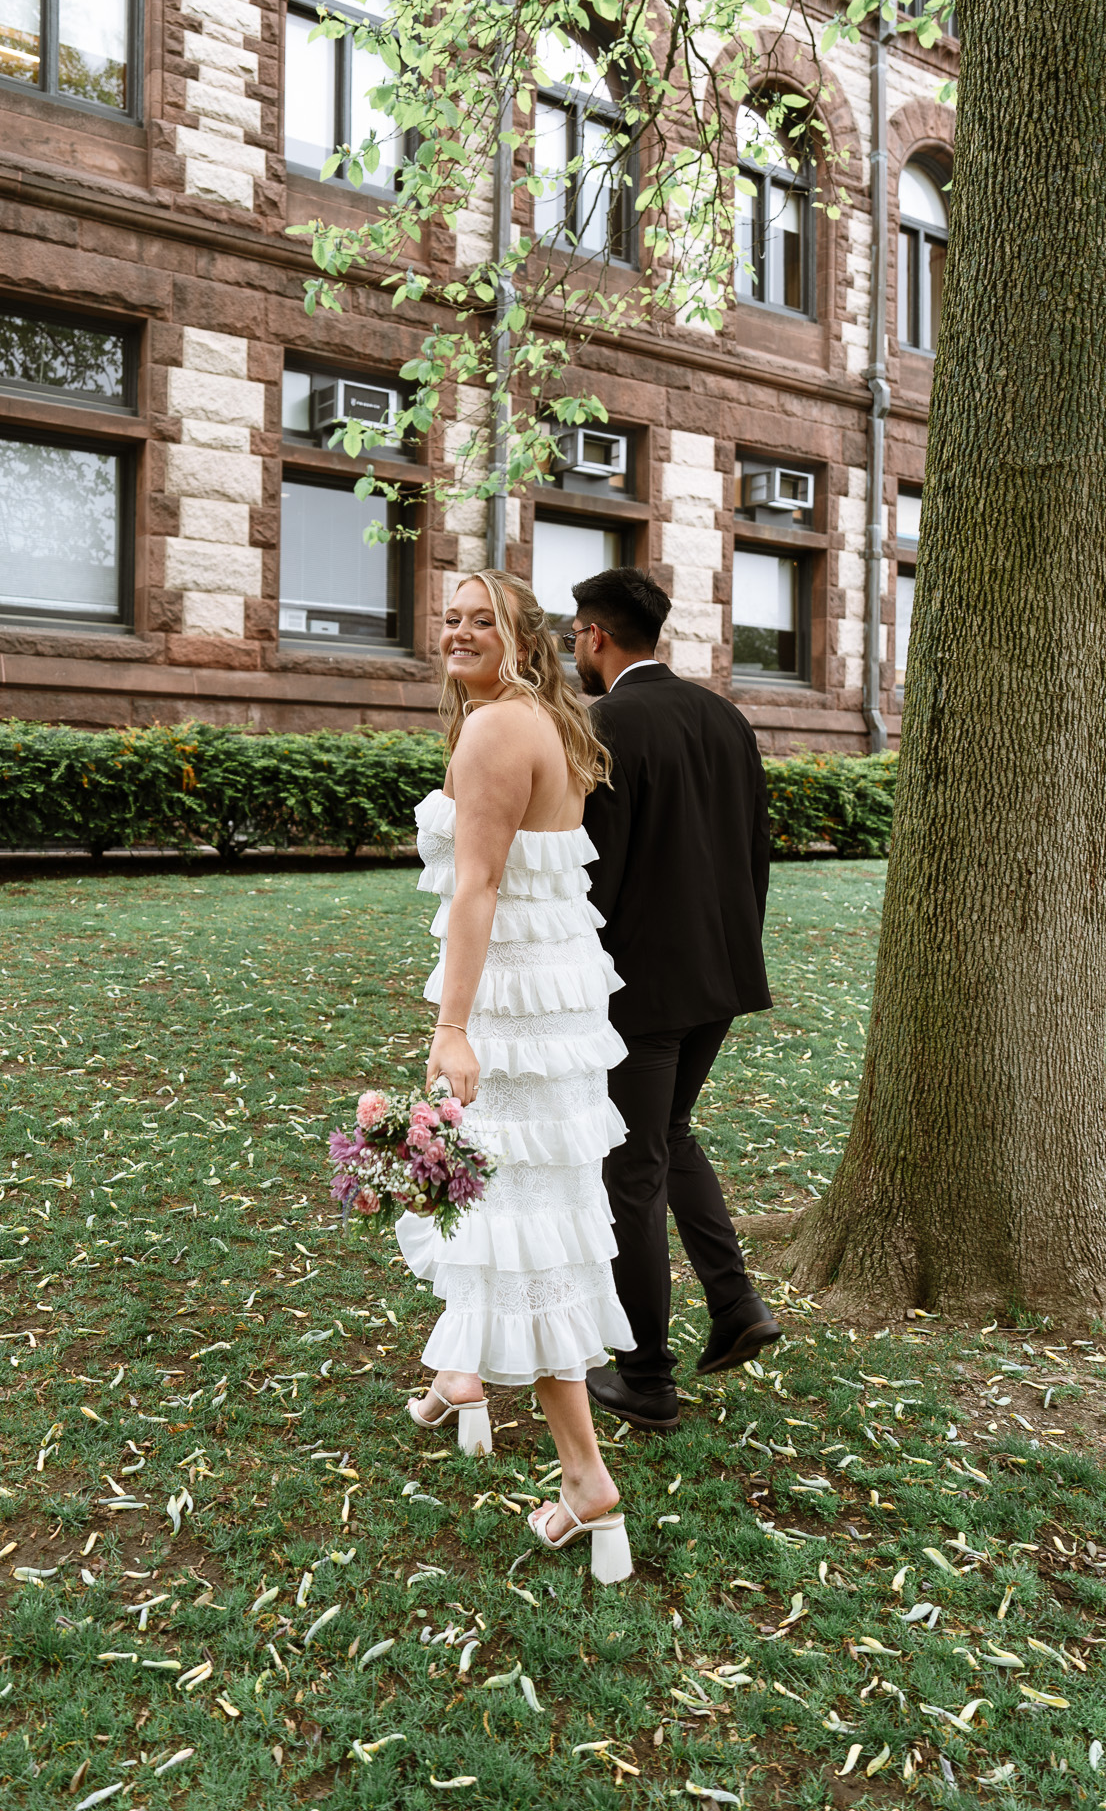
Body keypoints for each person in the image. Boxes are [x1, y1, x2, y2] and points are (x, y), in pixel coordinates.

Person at [397, 570, 635, 1583]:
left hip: (518, 1012)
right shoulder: (540, 716)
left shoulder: (495, 730)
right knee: (509, 1211)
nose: (459, 629)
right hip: (556, 1003)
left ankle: (586, 1481)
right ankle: (461, 1373)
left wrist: (452, 1025)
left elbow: (481, 883)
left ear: (521, 637)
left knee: (523, 1232)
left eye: (480, 618)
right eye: (449, 616)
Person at [570, 566, 781, 1433]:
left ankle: (646, 1377)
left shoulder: (608, 723)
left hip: (640, 989)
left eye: (575, 636)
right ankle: (734, 1308)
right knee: (671, 1135)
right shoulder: (725, 717)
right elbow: (754, 851)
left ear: (594, 636)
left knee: (632, 1169)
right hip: (721, 977)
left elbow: (597, 874)